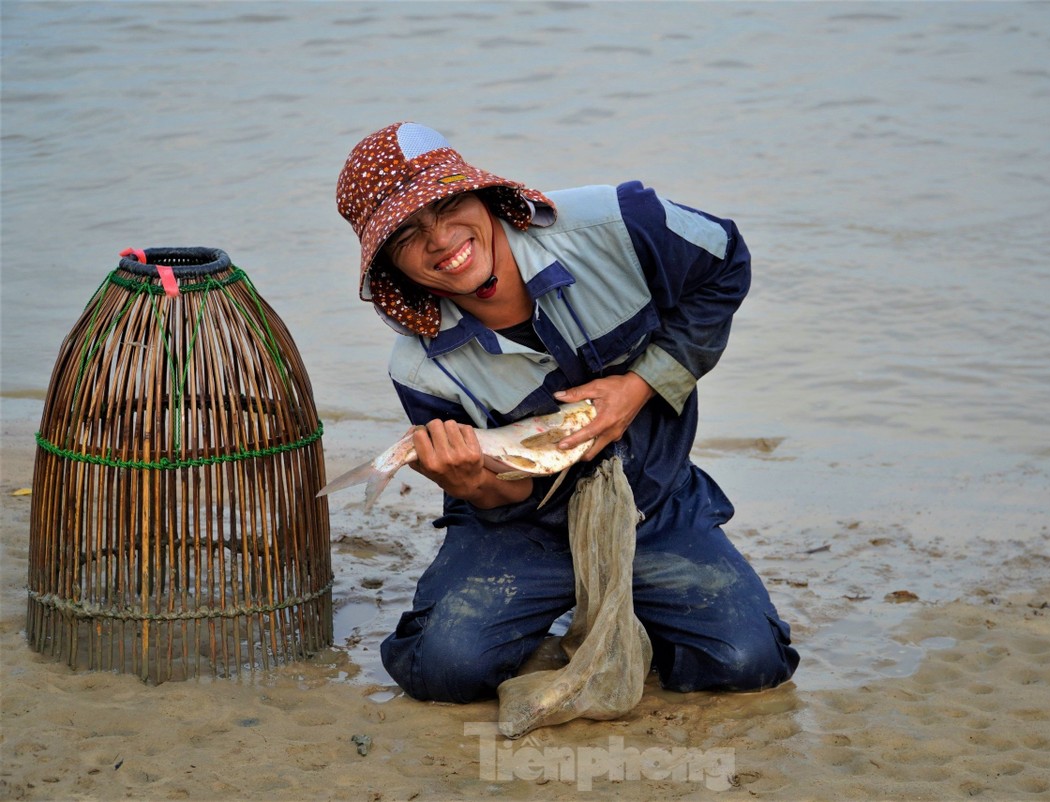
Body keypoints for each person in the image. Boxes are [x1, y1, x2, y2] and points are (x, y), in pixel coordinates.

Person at [335, 121, 799, 704]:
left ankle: (635, 609)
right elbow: (503, 497)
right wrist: (471, 482)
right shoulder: (418, 367)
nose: (440, 238)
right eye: (406, 232)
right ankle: (554, 609)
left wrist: (640, 385)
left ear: (483, 193)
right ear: (388, 264)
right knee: (445, 671)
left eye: (448, 202)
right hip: (520, 533)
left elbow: (725, 262)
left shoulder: (621, 222)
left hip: (654, 503)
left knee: (750, 662)